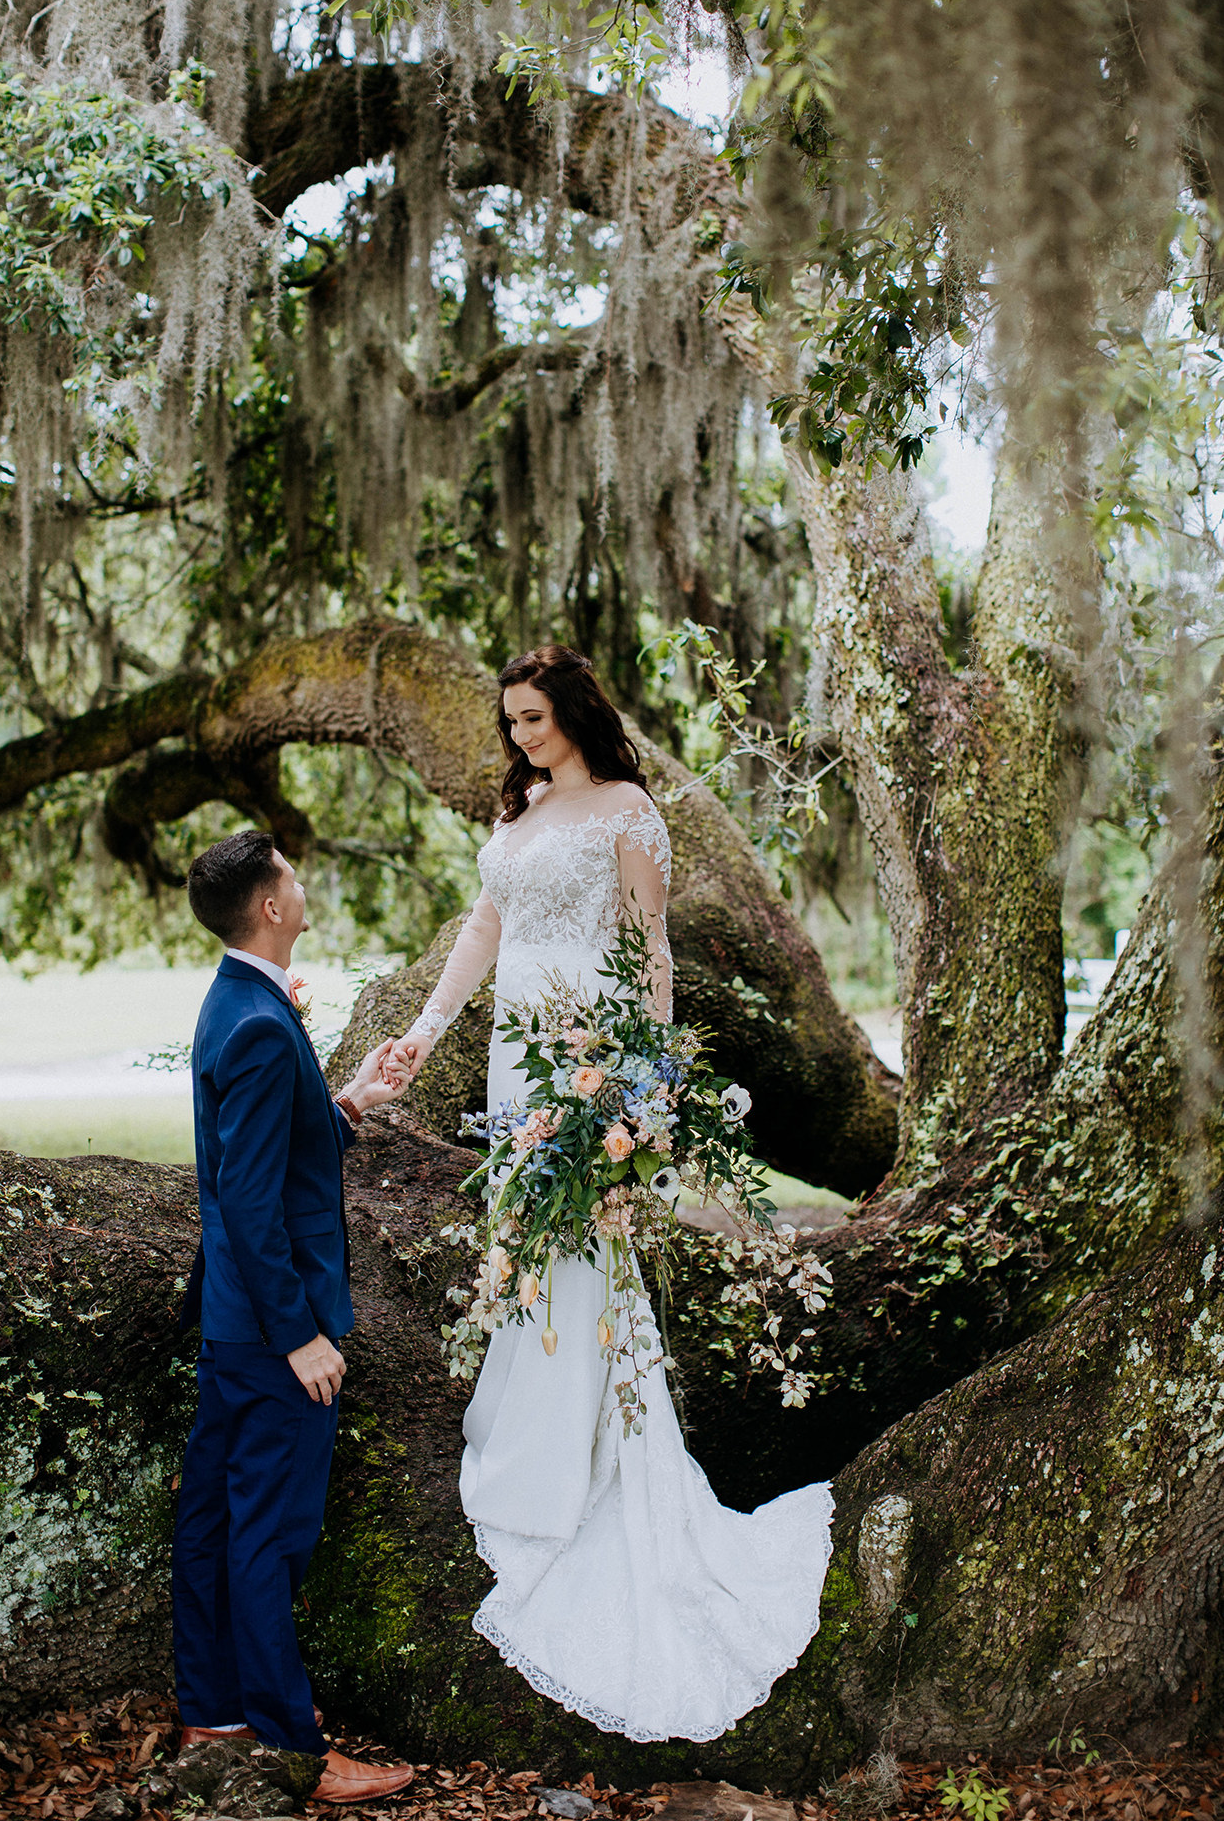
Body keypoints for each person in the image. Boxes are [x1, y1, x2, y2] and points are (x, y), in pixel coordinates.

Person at [388, 645, 834, 1745]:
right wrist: (423, 1032)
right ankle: (529, 1434)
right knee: (524, 1238)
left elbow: (650, 946)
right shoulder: (523, 807)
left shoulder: (628, 808)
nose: (522, 735)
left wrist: (643, 1083)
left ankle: (576, 1467)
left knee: (582, 1241)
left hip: (592, 1046)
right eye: (512, 721)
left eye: (535, 717)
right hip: (514, 1053)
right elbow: (483, 929)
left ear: (575, 709)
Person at [173, 829, 414, 1804]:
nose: (300, 882)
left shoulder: (238, 1000)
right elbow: (248, 1199)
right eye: (290, 872)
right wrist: (300, 1332)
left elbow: (268, 1153)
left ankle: (213, 1709)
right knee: (269, 1531)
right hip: (274, 1331)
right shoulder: (263, 1024)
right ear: (270, 904)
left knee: (213, 1515)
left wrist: (346, 1102)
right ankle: (290, 1743)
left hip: (232, 1320)